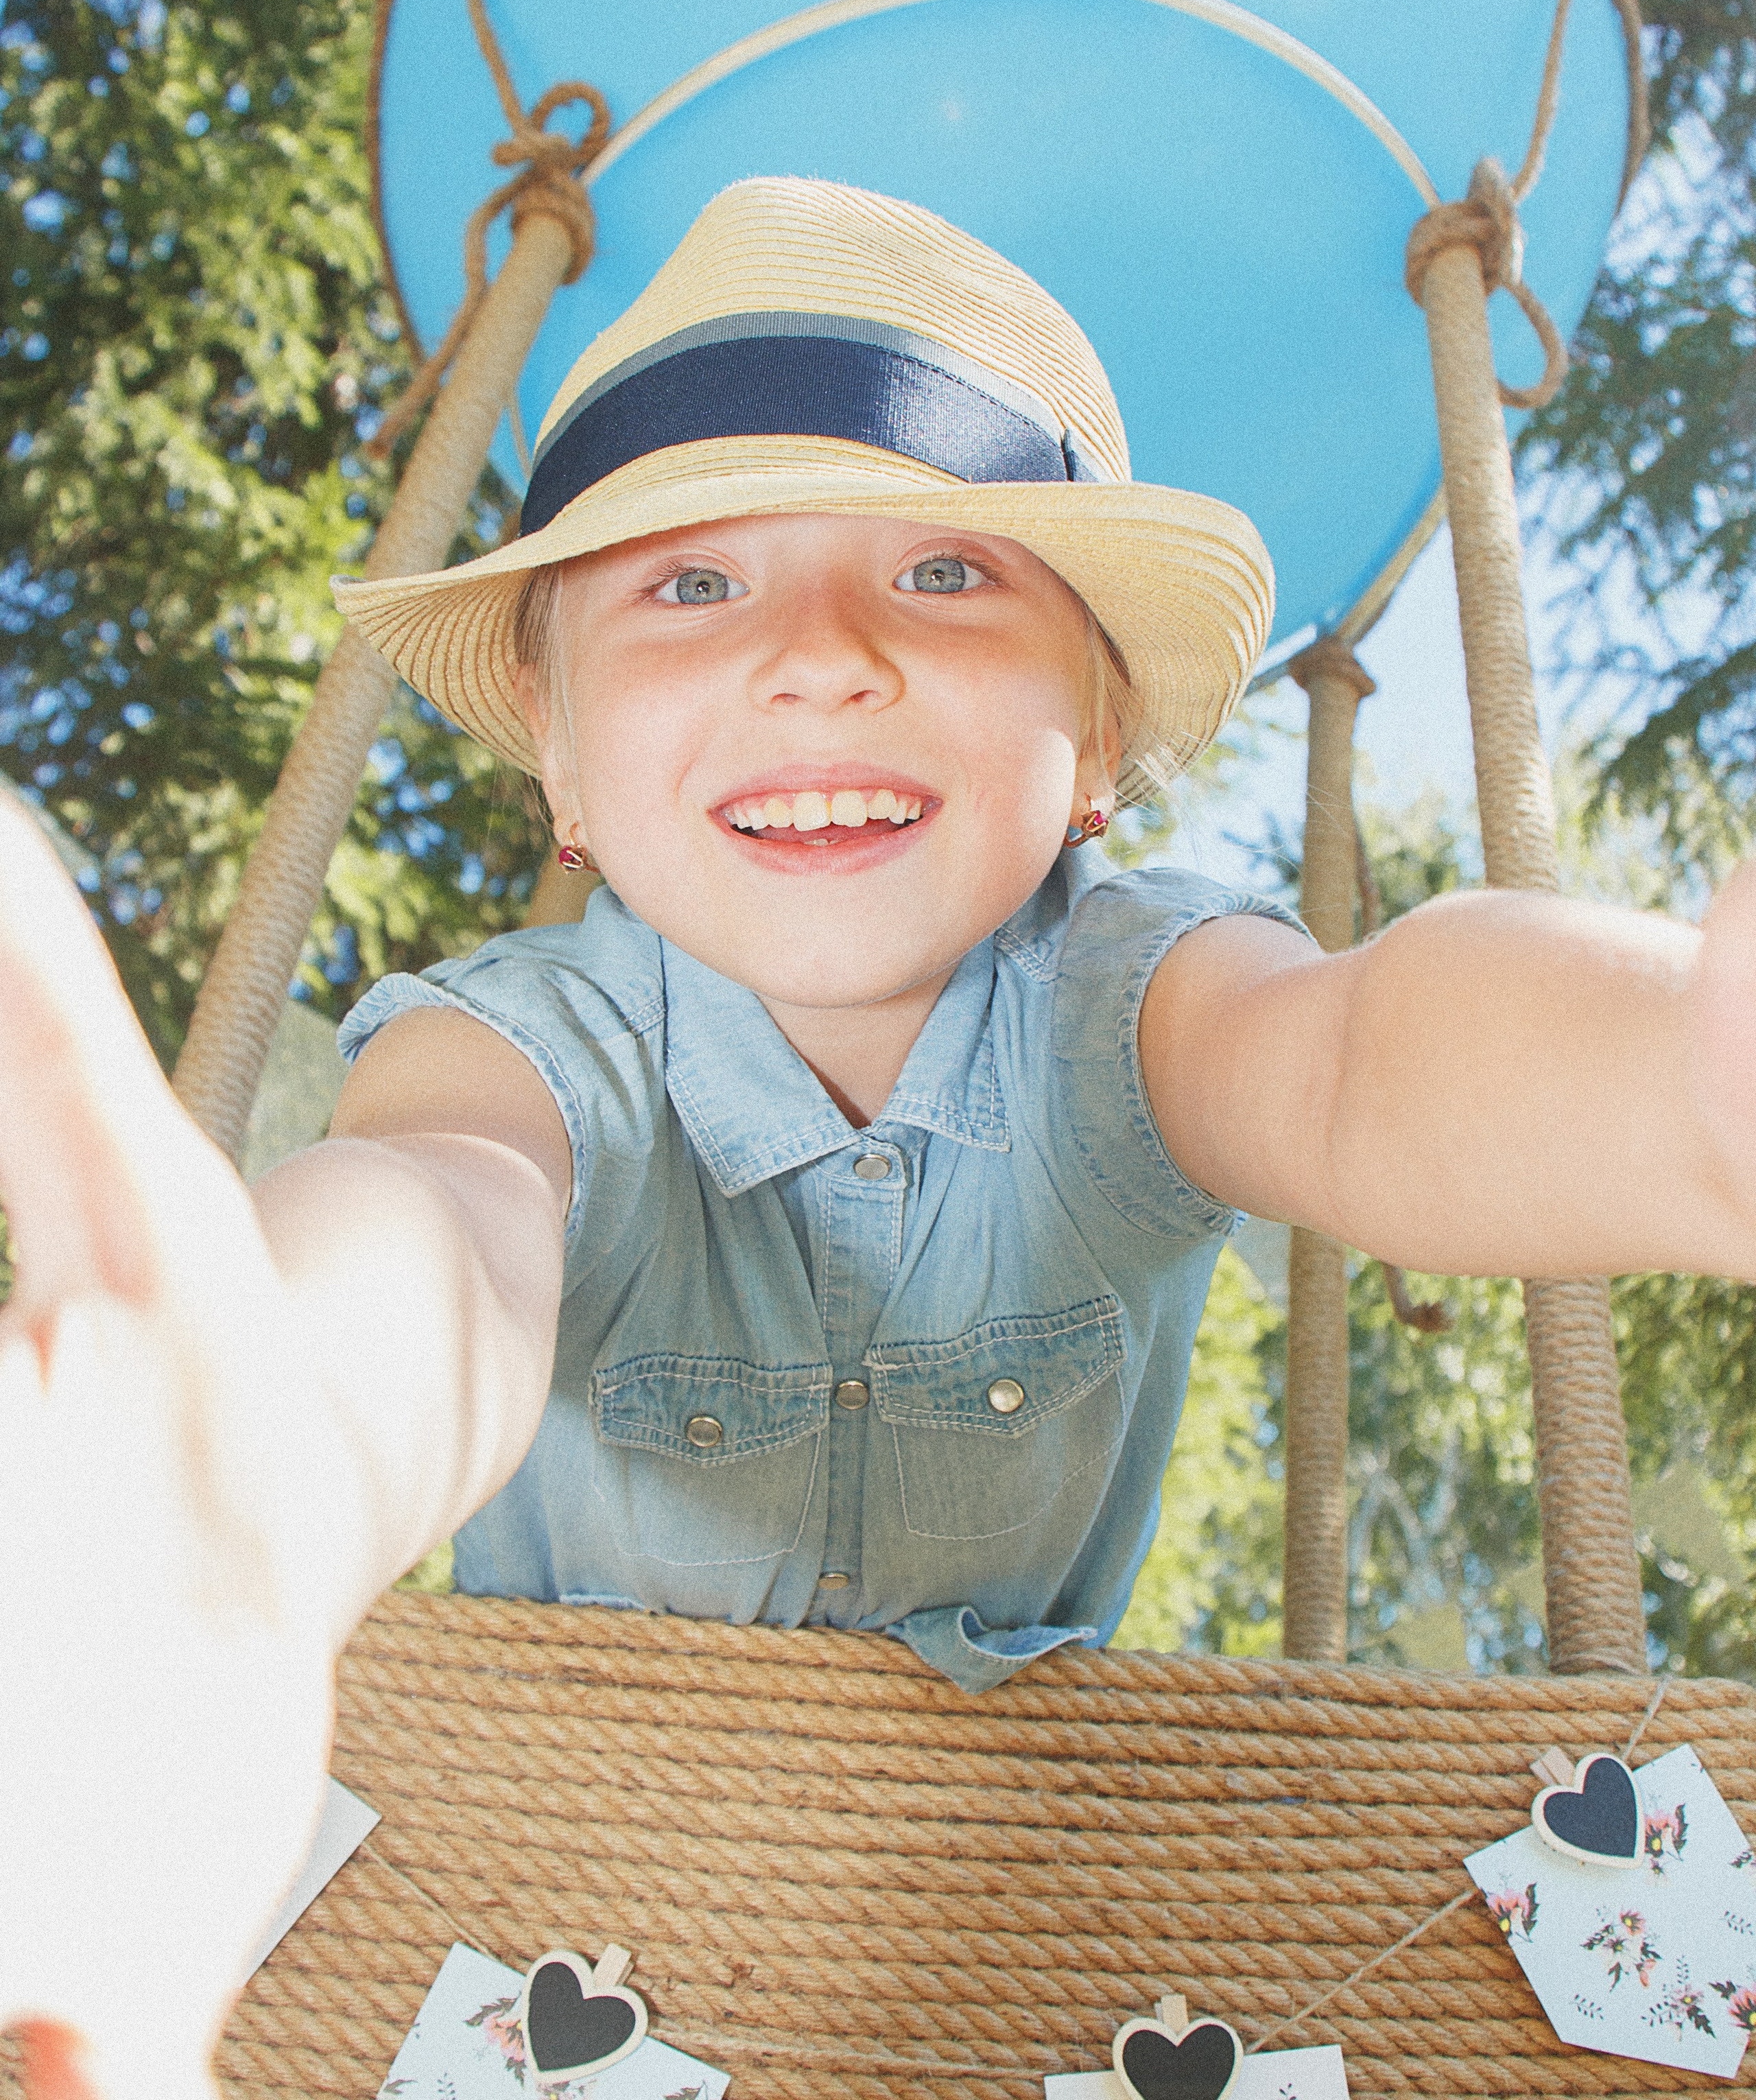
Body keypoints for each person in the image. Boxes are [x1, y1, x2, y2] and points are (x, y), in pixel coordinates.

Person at [4, 175, 1756, 2099]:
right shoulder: (523, 1047)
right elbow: (442, 1225)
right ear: (562, 754)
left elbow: (1356, 1059)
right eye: (692, 581)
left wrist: (1679, 1077)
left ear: (1094, 745)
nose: (824, 652)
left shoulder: (1135, 998)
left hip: (1015, 1862)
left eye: (943, 573)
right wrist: (272, 1438)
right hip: (563, 1840)